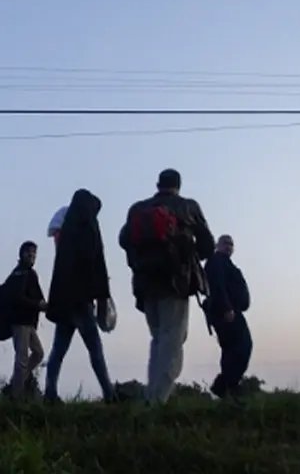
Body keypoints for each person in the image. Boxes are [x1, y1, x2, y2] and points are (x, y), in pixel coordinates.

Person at [119, 168, 215, 404]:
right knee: (172, 341)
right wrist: (186, 254)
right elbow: (208, 245)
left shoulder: (138, 208)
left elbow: (123, 239)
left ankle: (152, 395)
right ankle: (157, 402)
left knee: (158, 339)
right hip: (176, 282)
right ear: (178, 185)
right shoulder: (188, 206)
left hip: (145, 284)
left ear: (158, 184)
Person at [43, 189, 117, 403]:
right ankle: (109, 394)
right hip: (82, 301)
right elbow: (97, 264)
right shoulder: (90, 229)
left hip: (64, 302)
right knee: (95, 349)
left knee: (58, 350)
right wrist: (101, 294)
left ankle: (50, 393)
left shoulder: (66, 233)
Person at [204, 235, 252, 399]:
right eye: (225, 243)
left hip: (232, 310)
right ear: (218, 245)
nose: (229, 246)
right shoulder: (216, 261)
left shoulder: (226, 264)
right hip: (226, 312)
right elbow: (217, 286)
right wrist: (226, 308)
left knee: (232, 350)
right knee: (242, 347)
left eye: (231, 244)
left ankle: (227, 388)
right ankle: (225, 385)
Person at [5, 241, 46, 398]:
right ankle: (16, 396)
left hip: (29, 322)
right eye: (29, 252)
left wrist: (43, 304)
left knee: (38, 353)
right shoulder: (19, 274)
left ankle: (16, 383)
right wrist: (37, 304)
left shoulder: (30, 273)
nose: (32, 256)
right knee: (21, 359)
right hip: (20, 322)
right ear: (21, 254)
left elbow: (38, 296)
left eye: (34, 253)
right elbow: (18, 297)